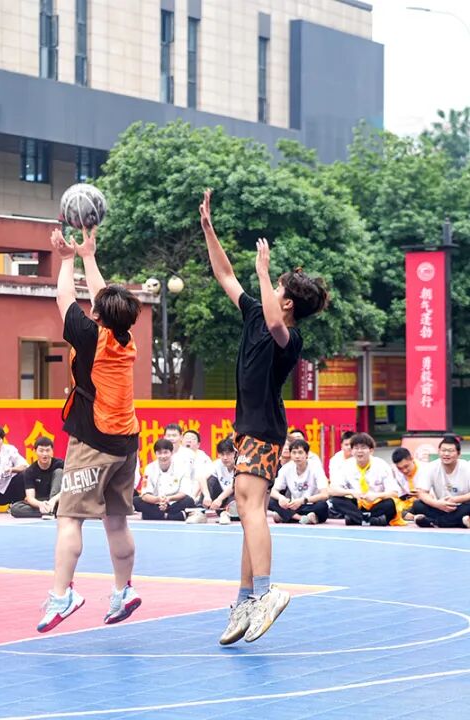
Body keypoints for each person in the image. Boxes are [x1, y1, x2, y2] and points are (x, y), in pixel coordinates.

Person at [200, 189, 329, 645]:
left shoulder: (289, 338)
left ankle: (267, 590)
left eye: (278, 289)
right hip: (249, 429)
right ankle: (245, 600)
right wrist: (209, 230)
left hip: (264, 429)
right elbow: (224, 274)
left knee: (250, 506)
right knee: (246, 510)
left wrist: (263, 269)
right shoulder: (254, 313)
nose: (270, 290)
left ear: (288, 302)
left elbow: (276, 324)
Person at [38, 226, 143, 632]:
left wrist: (67, 259)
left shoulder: (89, 336)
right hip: (126, 442)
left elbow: (64, 299)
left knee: (69, 517)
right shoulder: (125, 337)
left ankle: (62, 595)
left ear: (97, 315)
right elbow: (103, 298)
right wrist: (89, 256)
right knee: (116, 521)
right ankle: (123, 590)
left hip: (94, 440)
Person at [327, 433, 399, 526]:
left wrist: (377, 495)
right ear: (352, 451)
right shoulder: (346, 466)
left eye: (363, 448)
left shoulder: (381, 465)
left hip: (375, 503)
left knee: (390, 504)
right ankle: (370, 520)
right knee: (336, 500)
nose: (359, 451)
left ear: (371, 450)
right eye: (356, 448)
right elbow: (332, 490)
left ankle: (356, 519)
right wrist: (351, 492)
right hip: (356, 505)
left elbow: (394, 492)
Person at [410, 434, 470, 529]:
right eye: (443, 450)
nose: (446, 454)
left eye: (450, 451)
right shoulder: (431, 467)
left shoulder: (467, 467)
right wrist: (437, 504)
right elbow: (422, 493)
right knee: (418, 505)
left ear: (458, 454)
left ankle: (434, 522)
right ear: (438, 452)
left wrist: (456, 499)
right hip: (440, 507)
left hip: (462, 506)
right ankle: (460, 522)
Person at [270, 439, 329, 524]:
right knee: (271, 501)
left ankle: (286, 516)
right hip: (294, 506)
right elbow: (273, 490)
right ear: (290, 454)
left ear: (307, 454)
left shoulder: (316, 467)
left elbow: (325, 494)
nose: (297, 456)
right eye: (294, 453)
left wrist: (303, 501)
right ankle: (301, 518)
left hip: (310, 504)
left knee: (323, 506)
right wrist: (281, 498)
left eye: (300, 453)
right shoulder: (286, 468)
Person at [134, 439, 196, 520]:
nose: (163, 456)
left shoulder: (182, 467)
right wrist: (158, 499)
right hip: (155, 503)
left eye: (166, 452)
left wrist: (169, 499)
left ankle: (154, 515)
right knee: (135, 501)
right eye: (159, 453)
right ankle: (172, 516)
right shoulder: (149, 468)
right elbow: (145, 495)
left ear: (172, 453)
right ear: (155, 454)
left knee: (189, 501)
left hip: (173, 502)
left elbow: (184, 492)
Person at [9, 437, 64, 519]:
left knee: (59, 471)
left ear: (52, 451)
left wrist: (53, 500)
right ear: (35, 452)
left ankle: (53, 508)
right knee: (15, 508)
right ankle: (52, 510)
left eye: (47, 450)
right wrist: (40, 504)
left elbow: (68, 489)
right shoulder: (30, 471)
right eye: (41, 451)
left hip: (58, 499)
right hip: (41, 501)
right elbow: (30, 498)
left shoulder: (61, 464)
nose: (44, 454)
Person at [202, 437, 237, 524]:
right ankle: (200, 511)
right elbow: (201, 477)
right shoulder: (218, 464)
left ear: (235, 453)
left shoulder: (240, 465)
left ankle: (226, 514)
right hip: (221, 500)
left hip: (235, 498)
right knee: (210, 480)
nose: (225, 458)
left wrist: (219, 499)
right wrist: (207, 496)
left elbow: (233, 484)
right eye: (222, 454)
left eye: (228, 454)